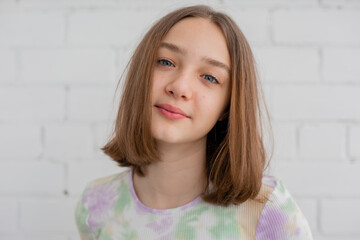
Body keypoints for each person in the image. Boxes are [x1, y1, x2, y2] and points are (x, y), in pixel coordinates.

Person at [74, 5, 313, 240]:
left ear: (227, 107)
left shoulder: (268, 212)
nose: (179, 87)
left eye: (209, 77)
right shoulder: (95, 206)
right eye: (166, 62)